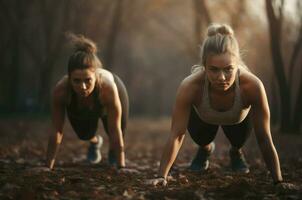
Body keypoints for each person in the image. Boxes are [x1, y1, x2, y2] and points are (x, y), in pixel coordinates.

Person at [149, 24, 286, 186]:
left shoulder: (252, 86)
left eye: (228, 69)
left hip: (238, 123)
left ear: (237, 65)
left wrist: (278, 181)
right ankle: (205, 148)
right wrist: (161, 176)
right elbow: (177, 135)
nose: (221, 77)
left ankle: (236, 152)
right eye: (214, 70)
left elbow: (264, 137)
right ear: (204, 66)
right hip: (203, 121)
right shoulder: (191, 86)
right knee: (202, 138)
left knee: (238, 140)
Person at [46, 34, 129, 170]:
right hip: (81, 102)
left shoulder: (107, 88)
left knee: (115, 132)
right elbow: (56, 130)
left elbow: (115, 130)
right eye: (77, 81)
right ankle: (95, 142)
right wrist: (48, 167)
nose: (83, 87)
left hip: (114, 91)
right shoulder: (61, 91)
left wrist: (122, 167)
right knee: (84, 134)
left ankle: (113, 156)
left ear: (95, 76)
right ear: (69, 78)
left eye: (87, 80)